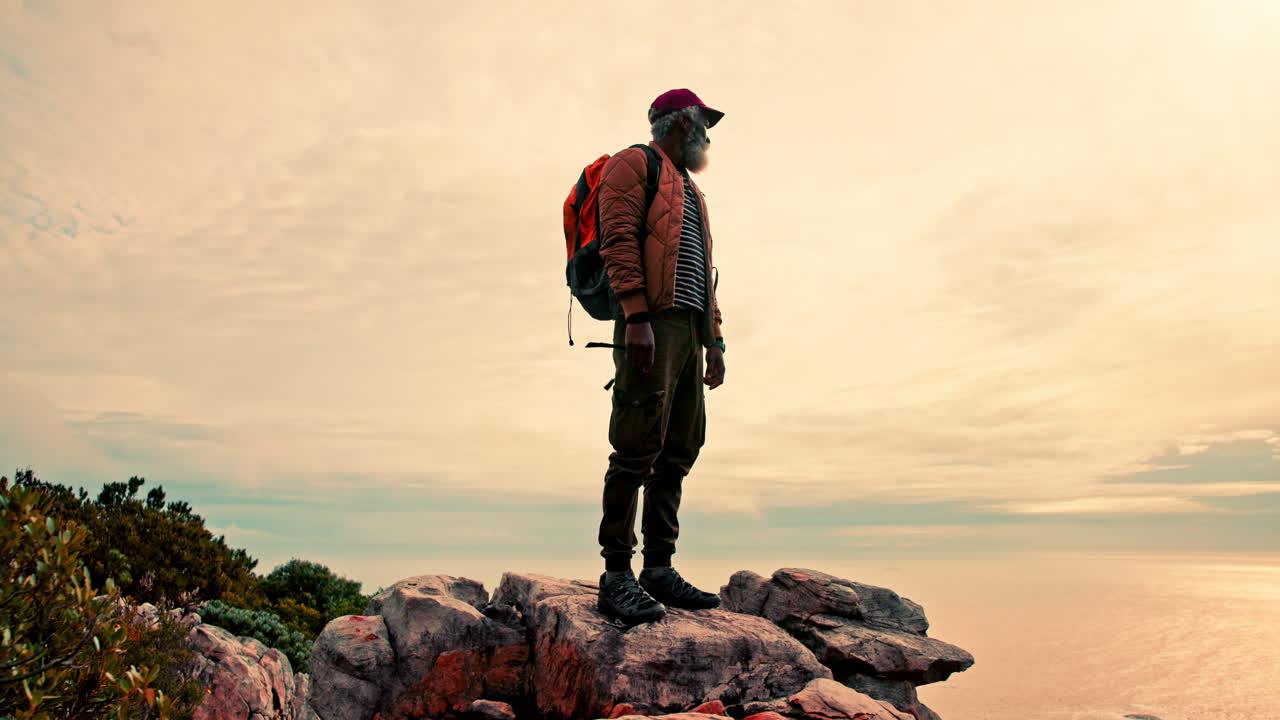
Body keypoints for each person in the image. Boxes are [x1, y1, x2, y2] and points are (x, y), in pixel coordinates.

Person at [594, 88, 728, 626]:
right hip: (649, 324)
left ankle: (659, 568)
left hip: (688, 332)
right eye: (703, 124)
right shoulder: (634, 164)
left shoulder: (692, 191)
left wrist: (713, 340)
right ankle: (616, 574)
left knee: (678, 450)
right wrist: (635, 315)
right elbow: (619, 240)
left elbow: (704, 273)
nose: (708, 136)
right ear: (680, 123)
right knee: (634, 449)